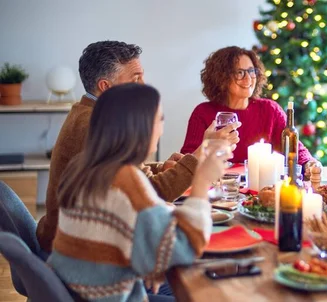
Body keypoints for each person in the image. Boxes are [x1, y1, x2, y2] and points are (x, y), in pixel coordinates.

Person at [47, 83, 231, 301]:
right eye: (160, 119)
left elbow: (125, 229)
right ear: (141, 127)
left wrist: (153, 260)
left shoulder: (84, 165)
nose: (162, 128)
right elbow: (185, 249)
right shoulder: (124, 179)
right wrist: (201, 181)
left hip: (81, 290)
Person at [37, 41, 204, 253]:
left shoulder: (88, 112)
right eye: (135, 79)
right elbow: (152, 195)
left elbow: (123, 174)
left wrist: (160, 168)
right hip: (85, 255)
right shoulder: (95, 125)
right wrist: (199, 159)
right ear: (105, 86)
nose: (143, 85)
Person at [180, 46, 318, 171]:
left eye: (251, 71)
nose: (248, 79)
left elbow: (296, 148)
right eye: (239, 73)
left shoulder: (270, 110)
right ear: (221, 77)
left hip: (258, 191)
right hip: (217, 189)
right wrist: (207, 147)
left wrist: (309, 163)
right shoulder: (203, 113)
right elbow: (185, 164)